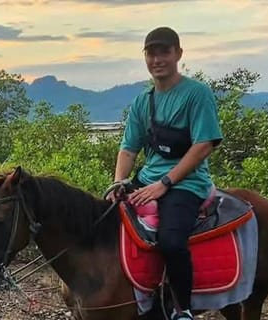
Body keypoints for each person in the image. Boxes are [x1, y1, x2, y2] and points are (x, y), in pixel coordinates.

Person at [107, 27, 223, 320]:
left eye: (164, 52)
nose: (157, 59)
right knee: (104, 221)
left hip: (187, 183)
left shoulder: (197, 94)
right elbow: (129, 149)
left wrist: (165, 183)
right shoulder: (142, 102)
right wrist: (120, 181)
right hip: (147, 180)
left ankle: (182, 309)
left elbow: (204, 145)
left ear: (178, 54)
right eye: (151, 53)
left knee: (171, 240)